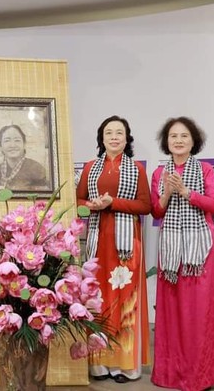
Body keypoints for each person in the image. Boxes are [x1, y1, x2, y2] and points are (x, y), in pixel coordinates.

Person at [150, 117, 214, 391]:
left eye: (184, 136)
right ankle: (170, 373)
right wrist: (166, 192)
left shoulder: (206, 170)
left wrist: (186, 192)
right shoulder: (158, 173)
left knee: (201, 311)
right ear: (166, 142)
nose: (178, 140)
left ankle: (201, 374)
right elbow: (157, 211)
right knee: (173, 311)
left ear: (193, 141)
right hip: (172, 250)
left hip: (200, 252)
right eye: (173, 136)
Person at [76, 115, 152, 383]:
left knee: (125, 301)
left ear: (127, 138)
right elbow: (77, 202)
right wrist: (92, 205)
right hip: (98, 242)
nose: (114, 137)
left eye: (119, 132)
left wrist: (113, 203)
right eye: (109, 133)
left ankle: (125, 365)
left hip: (126, 245)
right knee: (97, 298)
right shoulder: (89, 168)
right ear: (102, 138)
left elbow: (146, 206)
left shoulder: (137, 169)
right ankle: (99, 363)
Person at [0, 124, 48, 190]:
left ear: (24, 144)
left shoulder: (37, 169)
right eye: (7, 140)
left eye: (17, 140)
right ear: (0, 146)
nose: (12, 145)